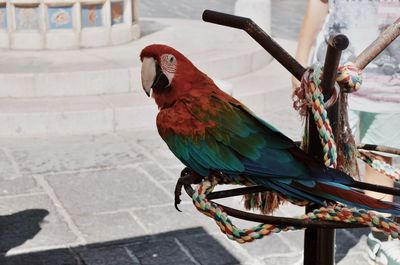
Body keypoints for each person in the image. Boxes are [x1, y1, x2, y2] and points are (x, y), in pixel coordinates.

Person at [293, 0, 400, 264]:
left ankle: (381, 234)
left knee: (379, 161)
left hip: (390, 83)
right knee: (324, 161)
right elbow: (319, 3)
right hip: (333, 80)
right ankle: (315, 240)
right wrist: (300, 56)